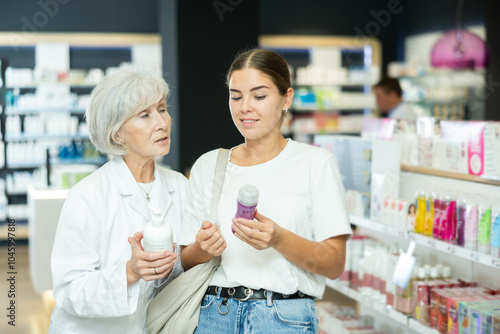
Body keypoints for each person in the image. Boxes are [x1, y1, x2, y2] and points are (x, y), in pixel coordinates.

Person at [180, 49, 352, 333]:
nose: (245, 107)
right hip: (214, 315)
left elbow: (333, 264)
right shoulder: (208, 165)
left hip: (283, 318)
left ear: (286, 99)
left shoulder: (315, 163)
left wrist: (279, 238)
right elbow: (186, 261)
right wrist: (203, 248)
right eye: (236, 96)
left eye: (259, 96)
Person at [49, 66, 187, 333]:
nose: (161, 122)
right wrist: (130, 272)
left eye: (161, 109)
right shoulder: (88, 195)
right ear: (116, 134)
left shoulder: (179, 185)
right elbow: (69, 290)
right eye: (144, 115)